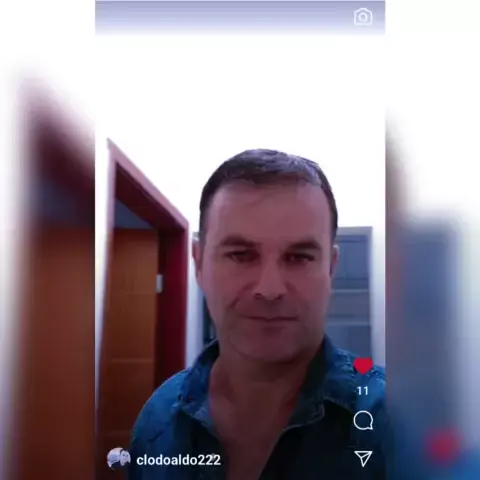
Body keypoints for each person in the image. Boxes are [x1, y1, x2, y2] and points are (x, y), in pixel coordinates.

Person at [128, 149, 388, 479]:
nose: (270, 289)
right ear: (199, 263)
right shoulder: (158, 420)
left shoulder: (397, 425)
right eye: (241, 255)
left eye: (299, 257)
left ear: (330, 269)